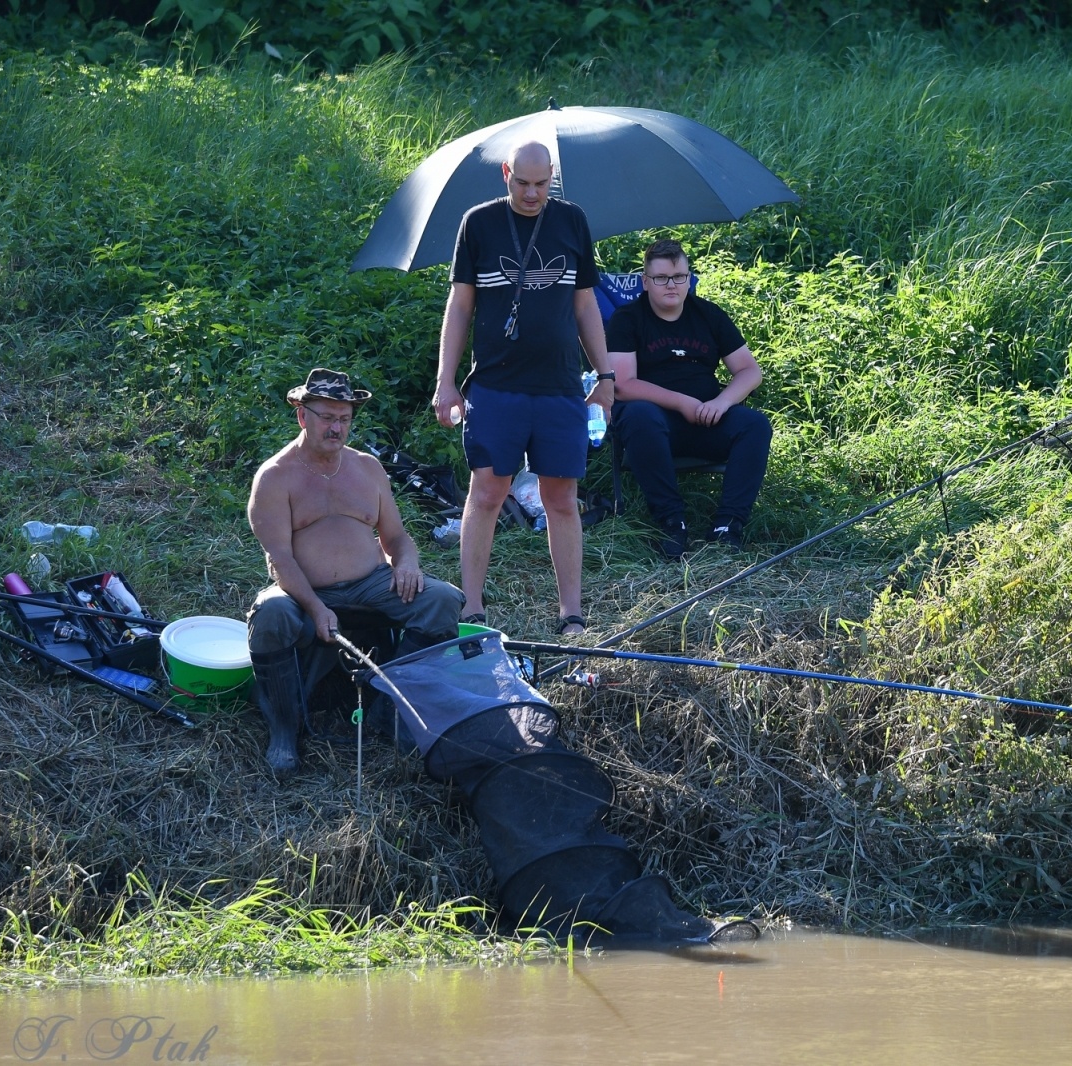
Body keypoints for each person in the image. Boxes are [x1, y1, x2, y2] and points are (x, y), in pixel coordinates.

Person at [432, 141, 613, 637]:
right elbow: (461, 306)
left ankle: (571, 614)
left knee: (561, 497)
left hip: (557, 388)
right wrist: (446, 382)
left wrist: (605, 377)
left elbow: (585, 307)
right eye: (522, 183)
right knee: (487, 492)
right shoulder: (479, 222)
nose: (532, 194)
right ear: (506, 174)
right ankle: (471, 609)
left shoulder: (572, 220)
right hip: (495, 385)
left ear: (552, 176)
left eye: (541, 184)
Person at [246, 368, 463, 773]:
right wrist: (314, 608)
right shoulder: (275, 477)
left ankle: (388, 708)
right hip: (302, 589)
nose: (336, 427)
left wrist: (408, 563)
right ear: (302, 416)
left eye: (344, 419)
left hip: (371, 582)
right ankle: (284, 729)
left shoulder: (367, 469)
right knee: (271, 614)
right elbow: (279, 559)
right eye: (327, 417)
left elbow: (396, 537)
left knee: (443, 599)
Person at [605, 238, 773, 556]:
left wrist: (722, 402)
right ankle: (672, 522)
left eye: (679, 276)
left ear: (688, 277)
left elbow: (750, 371)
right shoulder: (628, 319)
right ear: (645, 281)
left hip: (707, 417)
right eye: (661, 278)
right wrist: (682, 402)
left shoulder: (708, 315)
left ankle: (728, 526)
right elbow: (623, 384)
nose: (672, 285)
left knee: (754, 425)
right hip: (654, 426)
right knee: (639, 415)